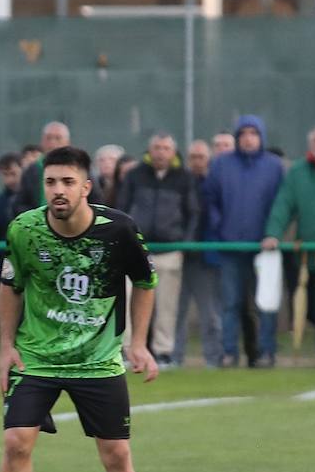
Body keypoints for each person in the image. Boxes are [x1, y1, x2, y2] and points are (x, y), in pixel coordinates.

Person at [0, 145, 165, 472]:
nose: (58, 191)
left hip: (99, 360)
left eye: (67, 182)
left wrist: (137, 343)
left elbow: (145, 282)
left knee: (117, 455)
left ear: (86, 187)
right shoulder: (24, 229)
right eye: (50, 182)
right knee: (15, 444)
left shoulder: (118, 230)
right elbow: (11, 286)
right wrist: (7, 347)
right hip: (37, 356)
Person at [204, 115, 284, 367]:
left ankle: (266, 352)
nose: (248, 138)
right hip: (230, 247)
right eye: (244, 133)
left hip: (265, 248)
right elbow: (210, 199)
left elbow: (280, 204)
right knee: (230, 303)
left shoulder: (274, 166)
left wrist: (273, 233)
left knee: (265, 303)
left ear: (261, 137)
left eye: (253, 133)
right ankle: (229, 353)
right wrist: (220, 229)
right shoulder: (221, 165)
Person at [117, 133, 198, 368]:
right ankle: (126, 349)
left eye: (165, 148)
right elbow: (122, 209)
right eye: (157, 147)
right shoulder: (135, 175)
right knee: (127, 298)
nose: (161, 152)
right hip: (137, 249)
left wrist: (185, 243)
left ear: (173, 152)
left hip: (170, 250)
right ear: (149, 151)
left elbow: (193, 212)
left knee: (166, 304)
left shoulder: (184, 178)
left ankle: (163, 352)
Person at [263, 125, 315, 342]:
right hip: (309, 255)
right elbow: (283, 205)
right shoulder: (298, 172)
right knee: (312, 306)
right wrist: (273, 233)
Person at [173, 140, 223, 368]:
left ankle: (213, 357)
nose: (196, 161)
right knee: (176, 310)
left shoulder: (215, 184)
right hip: (179, 255)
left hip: (205, 257)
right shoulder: (180, 183)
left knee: (209, 312)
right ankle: (175, 356)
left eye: (201, 157)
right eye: (193, 157)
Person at [11, 121, 71, 218]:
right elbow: (20, 203)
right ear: (42, 142)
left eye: (58, 138)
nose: (52, 143)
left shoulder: (78, 167)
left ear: (67, 142)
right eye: (48, 138)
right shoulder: (32, 170)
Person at [0, 152, 22, 278]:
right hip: (4, 262)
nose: (10, 179)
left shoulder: (33, 198)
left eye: (13, 174)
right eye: (5, 175)